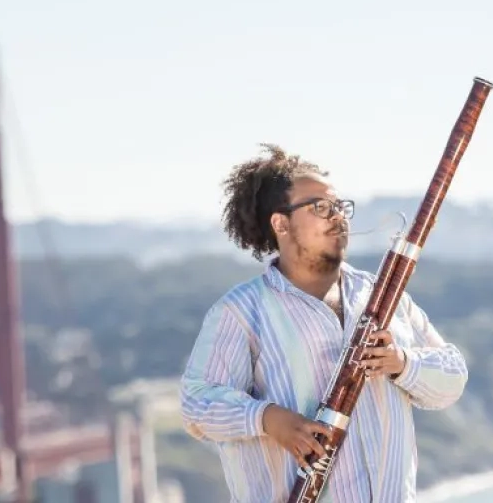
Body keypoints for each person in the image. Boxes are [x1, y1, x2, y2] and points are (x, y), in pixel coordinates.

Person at [180, 144, 468, 502]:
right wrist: (269, 418)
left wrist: (402, 364)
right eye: (320, 207)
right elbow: (197, 404)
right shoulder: (240, 312)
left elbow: (453, 377)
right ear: (281, 223)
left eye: (339, 206)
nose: (338, 216)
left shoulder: (384, 294)